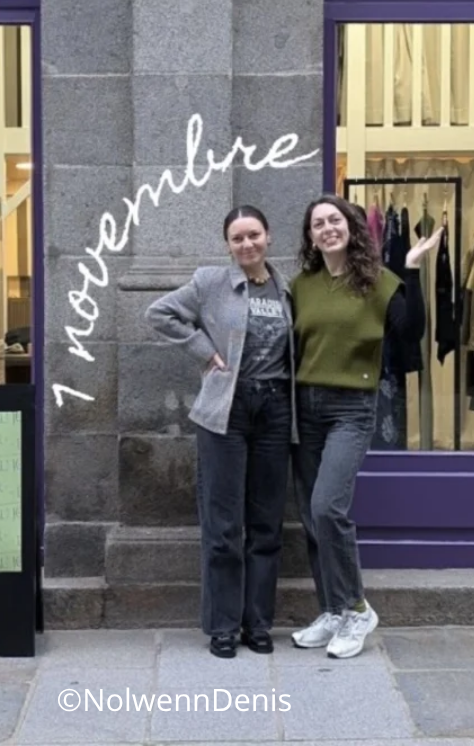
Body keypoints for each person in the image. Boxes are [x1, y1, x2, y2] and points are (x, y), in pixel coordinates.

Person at [289, 194, 441, 659]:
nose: (327, 228)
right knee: (312, 518)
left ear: (352, 226)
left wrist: (413, 268)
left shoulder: (377, 281)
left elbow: (411, 331)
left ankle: (357, 607)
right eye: (318, 224)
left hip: (351, 408)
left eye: (335, 219)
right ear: (311, 237)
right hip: (305, 407)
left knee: (327, 507)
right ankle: (333, 609)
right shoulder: (301, 286)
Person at [146, 206, 295, 659]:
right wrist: (205, 352)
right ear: (227, 244)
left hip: (274, 409)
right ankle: (224, 626)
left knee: (267, 524)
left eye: (253, 235)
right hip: (225, 412)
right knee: (224, 524)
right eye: (237, 238)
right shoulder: (210, 282)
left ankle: (258, 623)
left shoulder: (286, 287)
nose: (246, 244)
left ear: (268, 236)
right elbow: (160, 313)